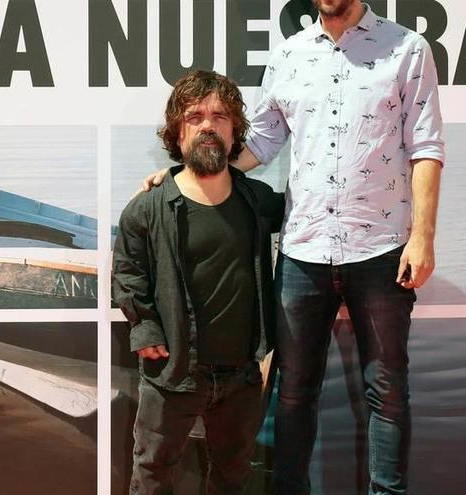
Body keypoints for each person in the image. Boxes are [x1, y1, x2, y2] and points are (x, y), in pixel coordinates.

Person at [141, 2, 445, 494]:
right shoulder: (288, 55)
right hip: (304, 251)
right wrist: (183, 177)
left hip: (382, 248)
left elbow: (426, 145)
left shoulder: (408, 48)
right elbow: (259, 144)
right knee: (292, 394)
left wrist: (424, 236)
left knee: (387, 393)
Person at [112, 69, 284, 495]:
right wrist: (145, 326)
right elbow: (128, 272)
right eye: (195, 116)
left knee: (232, 476)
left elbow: (320, 211)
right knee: (152, 473)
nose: (208, 124)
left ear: (235, 131)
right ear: (177, 130)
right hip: (171, 373)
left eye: (220, 116)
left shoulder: (259, 202)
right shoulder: (147, 209)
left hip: (241, 375)